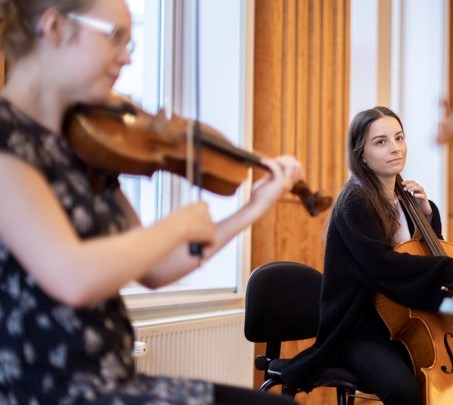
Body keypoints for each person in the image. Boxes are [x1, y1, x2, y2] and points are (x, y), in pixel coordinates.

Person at [0, 0, 301, 403]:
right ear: (53, 27)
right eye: (114, 37)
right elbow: (70, 276)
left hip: (111, 379)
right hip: (48, 390)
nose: (125, 55)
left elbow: (157, 268)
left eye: (131, 42)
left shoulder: (82, 147)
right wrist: (176, 225)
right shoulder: (7, 141)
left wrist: (251, 210)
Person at [281, 106, 453, 405]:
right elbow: (386, 267)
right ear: (361, 154)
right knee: (405, 391)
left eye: (399, 138)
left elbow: (424, 254)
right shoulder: (355, 201)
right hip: (359, 330)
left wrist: (428, 216)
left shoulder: (407, 199)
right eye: (381, 142)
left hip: (403, 322)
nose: (395, 148)